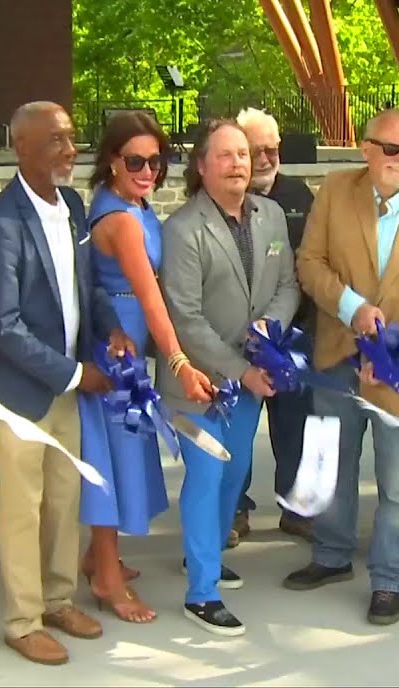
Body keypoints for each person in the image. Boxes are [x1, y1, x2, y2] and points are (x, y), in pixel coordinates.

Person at [281, 109, 399, 624]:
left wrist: (397, 358)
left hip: (398, 376)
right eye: (391, 149)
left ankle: (388, 579)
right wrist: (351, 308)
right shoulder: (335, 192)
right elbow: (309, 263)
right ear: (366, 148)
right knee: (331, 466)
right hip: (335, 356)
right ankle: (332, 556)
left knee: (398, 481)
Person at [0, 101, 133, 664]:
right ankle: (21, 620)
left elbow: (84, 289)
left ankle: (59, 599)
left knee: (64, 499)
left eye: (71, 139)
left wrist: (110, 330)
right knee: (23, 506)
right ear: (21, 148)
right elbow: (3, 324)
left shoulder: (72, 205)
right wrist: (72, 372)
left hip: (68, 385)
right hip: (20, 392)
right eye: (56, 142)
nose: (70, 151)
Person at [157, 118, 299, 636]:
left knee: (235, 474)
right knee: (208, 474)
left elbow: (288, 284)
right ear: (201, 166)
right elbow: (185, 318)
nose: (240, 163)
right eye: (226, 155)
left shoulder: (273, 216)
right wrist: (242, 367)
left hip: (251, 377)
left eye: (243, 154)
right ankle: (202, 592)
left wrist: (268, 333)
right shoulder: (182, 229)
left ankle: (208, 557)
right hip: (198, 382)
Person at [76, 110, 214, 624]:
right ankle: (106, 577)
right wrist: (179, 361)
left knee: (121, 453)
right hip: (121, 354)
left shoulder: (129, 203)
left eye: (157, 161)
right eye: (135, 160)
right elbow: (151, 299)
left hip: (124, 335)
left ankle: (98, 555)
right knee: (114, 461)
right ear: (112, 160)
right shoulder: (120, 219)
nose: (148, 170)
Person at [231, 106, 317, 545]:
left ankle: (295, 507)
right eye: (254, 150)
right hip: (236, 341)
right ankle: (234, 509)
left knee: (295, 426)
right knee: (236, 429)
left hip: (295, 336)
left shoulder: (301, 195)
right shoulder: (223, 200)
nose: (264, 158)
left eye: (272, 149)